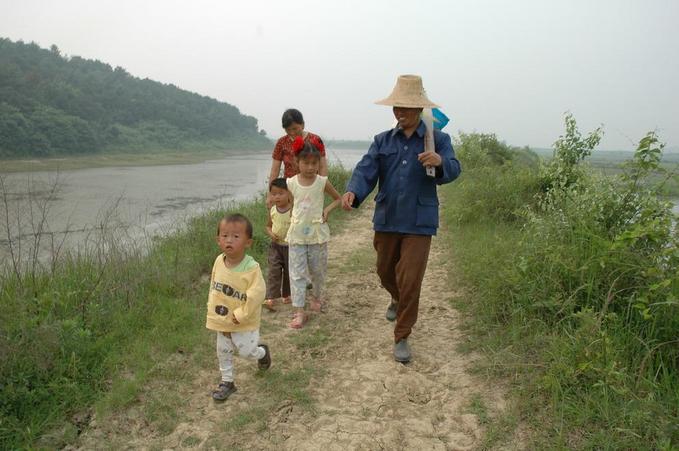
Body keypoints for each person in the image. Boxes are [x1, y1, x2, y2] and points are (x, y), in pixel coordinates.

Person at [341, 75, 461, 363]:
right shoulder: (382, 141)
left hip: (419, 222)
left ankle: (402, 334)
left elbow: (455, 168)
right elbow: (365, 171)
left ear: (420, 109)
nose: (400, 113)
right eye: (396, 107)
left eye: (406, 108)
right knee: (385, 271)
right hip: (388, 218)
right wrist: (352, 193)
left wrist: (440, 162)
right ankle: (395, 298)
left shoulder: (438, 140)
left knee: (410, 279)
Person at [206, 213, 272, 401]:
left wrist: (241, 314)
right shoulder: (219, 261)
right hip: (222, 319)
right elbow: (214, 287)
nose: (229, 240)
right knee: (223, 350)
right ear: (218, 240)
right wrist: (212, 310)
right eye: (225, 235)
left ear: (248, 242)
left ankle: (262, 353)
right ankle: (227, 381)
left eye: (236, 236)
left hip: (244, 321)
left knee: (246, 352)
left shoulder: (251, 268)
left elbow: (257, 294)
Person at [286, 135, 342, 329]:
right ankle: (299, 311)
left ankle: (317, 298)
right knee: (297, 274)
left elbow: (337, 199)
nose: (310, 167)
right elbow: (285, 204)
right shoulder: (290, 183)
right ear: (297, 162)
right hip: (296, 236)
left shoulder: (321, 182)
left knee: (318, 271)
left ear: (319, 163)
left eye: (314, 163)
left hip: (317, 236)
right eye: (305, 163)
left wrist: (327, 210)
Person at [267, 109, 328, 208]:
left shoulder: (315, 140)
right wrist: (270, 195)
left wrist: (321, 188)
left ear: (303, 125)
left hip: (311, 186)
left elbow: (322, 167)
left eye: (295, 128)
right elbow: (274, 170)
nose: (292, 132)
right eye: (288, 129)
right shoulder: (281, 143)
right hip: (289, 188)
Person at [263, 178, 292, 311]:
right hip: (275, 246)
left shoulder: (293, 210)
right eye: (274, 194)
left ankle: (287, 294)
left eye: (281, 193)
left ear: (289, 193)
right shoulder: (273, 210)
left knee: (288, 271)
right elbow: (268, 226)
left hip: (290, 247)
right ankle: (271, 297)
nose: (277, 197)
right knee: (274, 270)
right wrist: (271, 234)